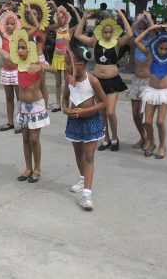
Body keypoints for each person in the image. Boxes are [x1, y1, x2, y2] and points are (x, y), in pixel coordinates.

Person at [0, 29, 50, 183]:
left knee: (34, 139)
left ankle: (37, 169)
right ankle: (28, 169)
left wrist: (42, 67)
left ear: (29, 49)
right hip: (23, 107)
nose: (19, 50)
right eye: (18, 48)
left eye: (23, 47)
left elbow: (54, 71)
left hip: (37, 106)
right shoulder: (17, 62)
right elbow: (5, 55)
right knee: (25, 139)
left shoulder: (37, 62)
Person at [74, 9, 133, 152]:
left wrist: (122, 16)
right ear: (101, 31)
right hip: (98, 81)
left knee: (110, 112)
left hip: (113, 81)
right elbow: (77, 34)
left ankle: (114, 138)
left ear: (113, 32)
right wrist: (84, 18)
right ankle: (105, 138)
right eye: (105, 32)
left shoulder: (117, 42)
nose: (107, 35)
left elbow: (130, 34)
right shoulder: (95, 41)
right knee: (102, 112)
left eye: (109, 32)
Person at [62, 46, 107, 210]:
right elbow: (65, 99)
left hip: (90, 122)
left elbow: (104, 102)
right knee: (78, 153)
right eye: (66, 64)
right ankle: (82, 179)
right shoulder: (70, 79)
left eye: (69, 64)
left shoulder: (93, 80)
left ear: (80, 64)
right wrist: (66, 109)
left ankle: (87, 195)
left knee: (88, 156)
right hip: (74, 122)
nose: (67, 68)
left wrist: (85, 111)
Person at [134, 24, 167, 158]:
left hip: (164, 92)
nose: (163, 51)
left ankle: (162, 145)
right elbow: (136, 41)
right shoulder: (150, 55)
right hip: (151, 91)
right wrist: (149, 29)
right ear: (156, 46)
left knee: (160, 122)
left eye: (166, 49)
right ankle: (151, 142)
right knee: (147, 122)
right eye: (161, 48)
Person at [0, 1, 22, 133]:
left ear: (16, 25)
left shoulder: (20, 36)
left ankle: (21, 122)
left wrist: (16, 11)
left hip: (17, 71)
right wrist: (2, 10)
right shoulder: (3, 34)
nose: (9, 25)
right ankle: (10, 122)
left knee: (20, 98)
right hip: (5, 71)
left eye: (12, 23)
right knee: (9, 98)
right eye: (7, 23)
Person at [127, 12, 154, 149]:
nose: (142, 31)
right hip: (136, 80)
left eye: (145, 28)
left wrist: (149, 20)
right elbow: (130, 33)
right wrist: (137, 21)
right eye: (141, 28)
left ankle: (150, 140)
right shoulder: (136, 43)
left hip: (148, 82)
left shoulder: (153, 44)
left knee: (144, 114)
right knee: (135, 113)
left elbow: (154, 33)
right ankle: (143, 137)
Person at [49, 2, 79, 112]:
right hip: (56, 58)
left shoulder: (69, 30)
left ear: (66, 19)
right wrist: (54, 6)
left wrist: (75, 11)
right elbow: (58, 16)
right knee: (58, 83)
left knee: (68, 82)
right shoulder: (56, 29)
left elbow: (80, 23)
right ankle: (58, 105)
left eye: (63, 16)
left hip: (66, 59)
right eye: (59, 17)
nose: (61, 18)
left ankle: (65, 102)